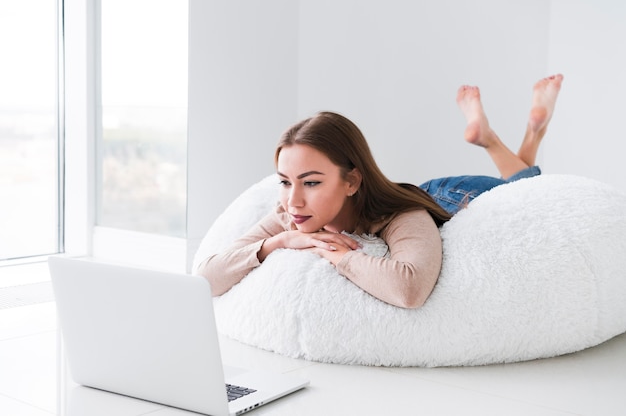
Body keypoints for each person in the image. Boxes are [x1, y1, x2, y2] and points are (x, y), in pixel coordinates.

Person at [197, 74, 564, 309]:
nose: (293, 200)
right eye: (285, 181)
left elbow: (409, 289)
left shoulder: (403, 215)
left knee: (527, 189)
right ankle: (528, 134)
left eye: (311, 182)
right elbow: (206, 278)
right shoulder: (289, 213)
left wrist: (338, 256)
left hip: (454, 194)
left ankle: (492, 139)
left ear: (352, 181)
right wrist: (274, 244)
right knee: (525, 177)